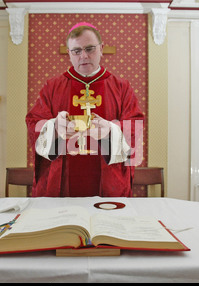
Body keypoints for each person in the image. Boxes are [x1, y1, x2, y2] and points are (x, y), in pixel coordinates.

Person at [26, 22, 144, 197]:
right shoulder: (52, 87)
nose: (84, 56)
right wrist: (54, 128)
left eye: (90, 49)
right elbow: (33, 123)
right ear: (69, 53)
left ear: (101, 48)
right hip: (61, 186)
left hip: (109, 185)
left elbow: (134, 126)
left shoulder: (121, 87)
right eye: (77, 51)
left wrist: (110, 132)